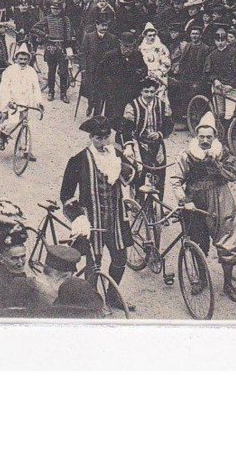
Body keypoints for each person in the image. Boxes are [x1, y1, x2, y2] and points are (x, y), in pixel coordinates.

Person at [60, 115, 136, 311]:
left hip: (116, 219)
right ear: (90, 138)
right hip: (92, 219)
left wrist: (125, 164)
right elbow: (66, 195)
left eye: (106, 137)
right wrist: (78, 217)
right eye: (98, 138)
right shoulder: (78, 160)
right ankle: (92, 301)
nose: (103, 142)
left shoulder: (116, 156)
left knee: (120, 259)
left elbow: (133, 175)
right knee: (94, 262)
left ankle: (112, 296)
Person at [170, 110, 236, 304]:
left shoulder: (223, 153)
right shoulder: (186, 155)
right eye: (201, 136)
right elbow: (176, 181)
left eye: (208, 137)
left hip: (221, 199)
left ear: (214, 137)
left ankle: (228, 284)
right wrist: (185, 201)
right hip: (195, 201)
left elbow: (233, 176)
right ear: (196, 136)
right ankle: (201, 279)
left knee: (228, 240)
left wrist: (217, 164)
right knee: (197, 240)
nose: (204, 140)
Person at [122, 76, 174, 202]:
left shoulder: (162, 105)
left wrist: (160, 134)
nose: (149, 94)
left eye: (152, 91)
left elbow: (169, 125)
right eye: (146, 91)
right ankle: (139, 202)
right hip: (139, 143)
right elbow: (126, 129)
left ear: (156, 91)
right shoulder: (132, 106)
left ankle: (158, 206)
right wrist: (129, 146)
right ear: (141, 91)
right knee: (140, 172)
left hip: (157, 143)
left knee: (160, 173)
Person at [0, 43, 44, 152]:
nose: (22, 61)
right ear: (16, 58)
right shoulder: (10, 70)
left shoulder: (31, 71)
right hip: (13, 102)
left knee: (27, 126)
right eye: (20, 59)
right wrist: (9, 101)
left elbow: (36, 88)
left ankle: (25, 150)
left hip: (26, 103)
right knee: (13, 121)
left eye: (25, 59)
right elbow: (4, 88)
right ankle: (2, 135)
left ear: (28, 60)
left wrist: (39, 102)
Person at [97, 31, 149, 130]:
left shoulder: (137, 54)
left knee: (130, 117)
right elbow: (100, 73)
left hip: (132, 92)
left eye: (131, 46)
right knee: (113, 119)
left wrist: (141, 72)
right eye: (126, 46)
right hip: (115, 93)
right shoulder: (110, 56)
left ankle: (123, 137)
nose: (129, 49)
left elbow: (144, 68)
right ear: (120, 43)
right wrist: (107, 86)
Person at [33, 0, 75, 103]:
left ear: (61, 9)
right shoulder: (47, 19)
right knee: (51, 71)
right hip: (50, 47)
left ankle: (63, 93)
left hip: (62, 47)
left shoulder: (65, 19)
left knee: (63, 72)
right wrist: (45, 36)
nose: (55, 11)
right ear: (50, 9)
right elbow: (35, 28)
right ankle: (51, 91)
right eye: (53, 9)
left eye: (58, 9)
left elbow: (70, 33)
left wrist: (69, 44)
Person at [79, 15, 120, 117]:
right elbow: (83, 54)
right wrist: (83, 68)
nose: (104, 28)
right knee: (90, 92)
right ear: (96, 25)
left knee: (100, 94)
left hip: (104, 72)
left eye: (106, 25)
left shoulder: (112, 38)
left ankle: (96, 117)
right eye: (102, 25)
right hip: (91, 70)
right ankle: (90, 105)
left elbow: (115, 55)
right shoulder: (89, 37)